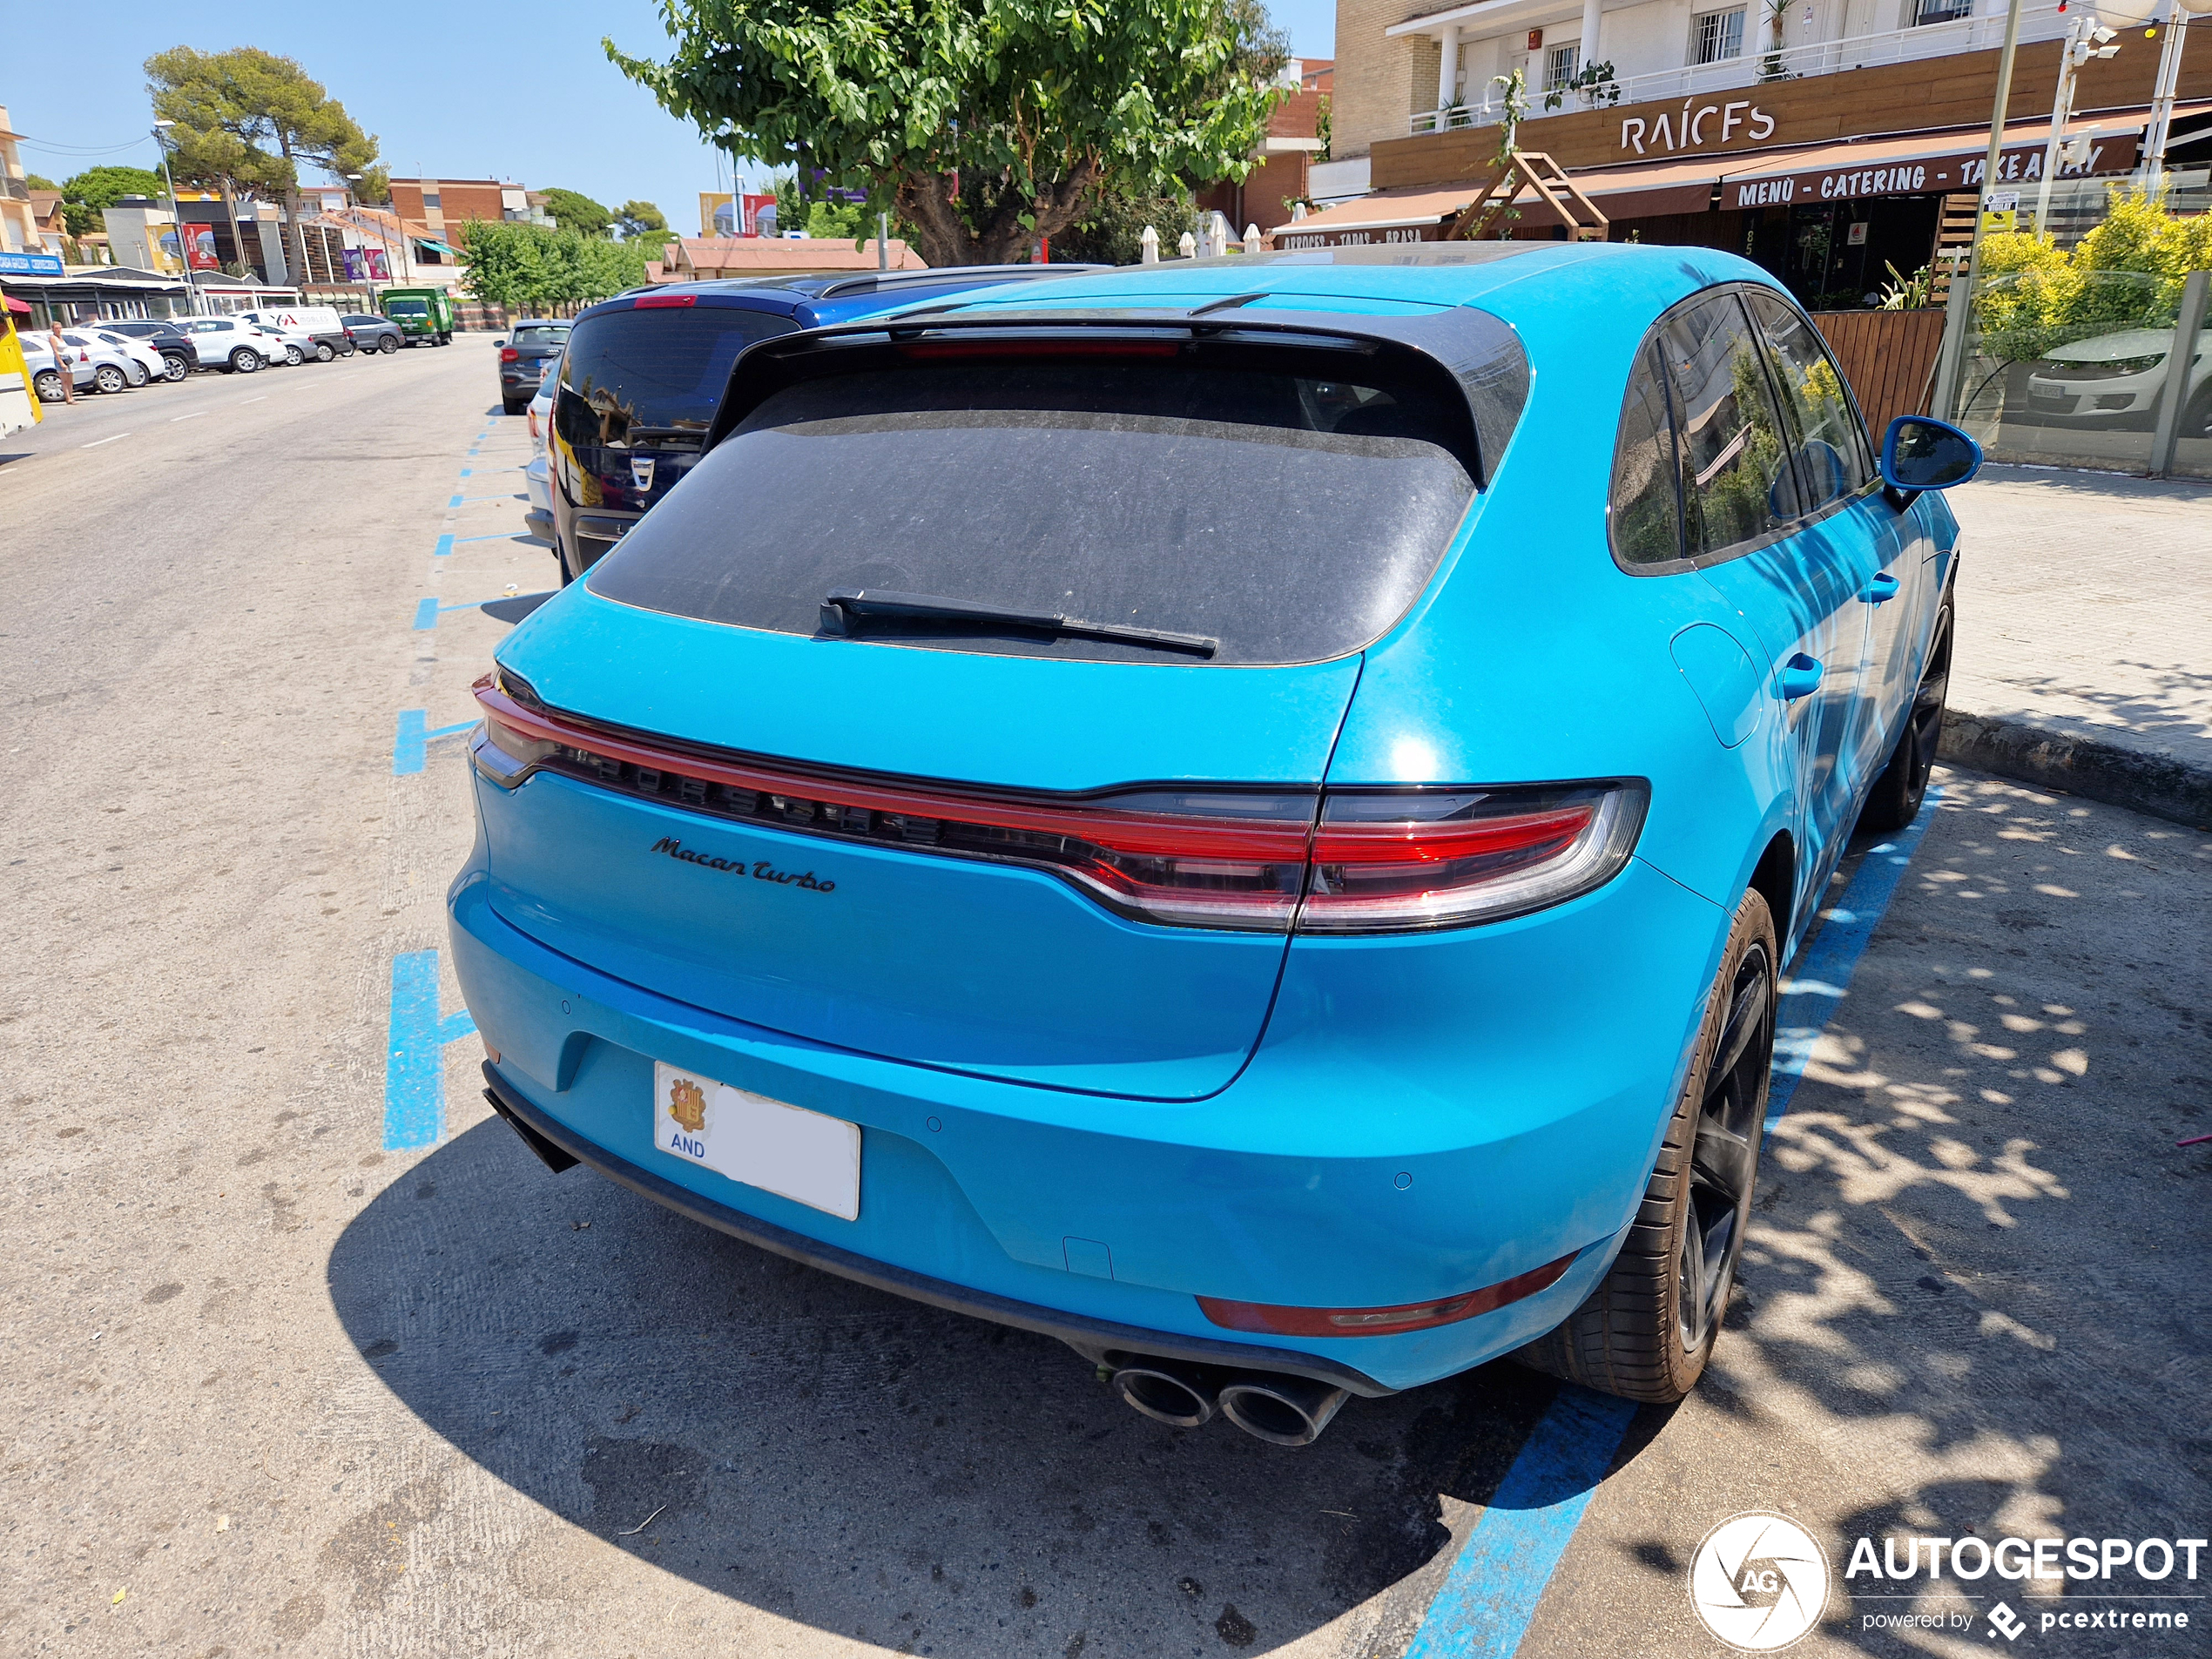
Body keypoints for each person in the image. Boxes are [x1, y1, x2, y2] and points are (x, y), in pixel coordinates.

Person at [44, 320, 76, 404]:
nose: (58, 330)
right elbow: (55, 351)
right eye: (56, 328)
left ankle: (71, 397)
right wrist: (61, 363)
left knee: (70, 380)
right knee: (64, 380)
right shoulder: (53, 338)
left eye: (59, 328)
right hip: (60, 358)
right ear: (53, 329)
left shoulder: (61, 337)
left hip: (67, 358)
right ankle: (68, 398)